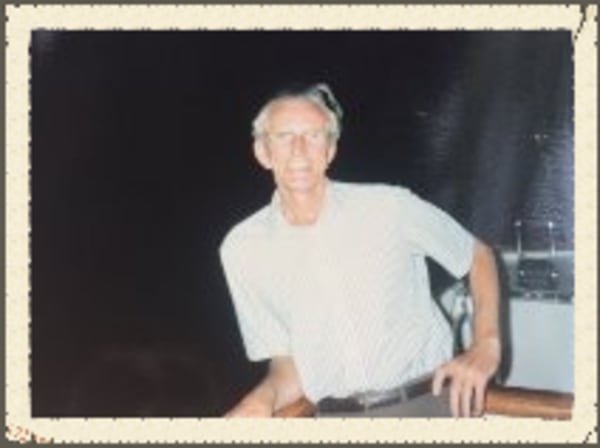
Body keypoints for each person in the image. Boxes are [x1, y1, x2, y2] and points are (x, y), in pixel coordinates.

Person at [219, 82, 501, 418]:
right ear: (263, 152)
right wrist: (261, 398)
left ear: (330, 149)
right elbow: (288, 362)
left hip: (430, 401)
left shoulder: (389, 207)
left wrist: (486, 345)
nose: (299, 150)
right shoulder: (242, 249)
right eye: (283, 136)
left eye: (314, 135)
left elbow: (477, 256)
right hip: (337, 419)